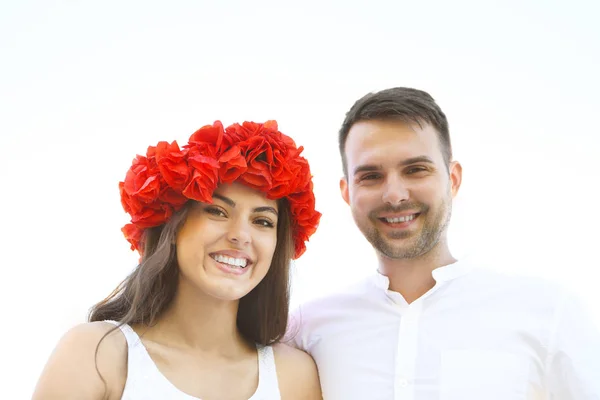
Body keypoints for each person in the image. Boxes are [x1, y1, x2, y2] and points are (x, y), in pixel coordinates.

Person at [288, 87, 600, 399]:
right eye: (370, 176)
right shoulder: (306, 331)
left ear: (453, 179)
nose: (394, 194)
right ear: (347, 193)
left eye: (415, 170)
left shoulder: (549, 313)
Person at [33, 120, 323, 399]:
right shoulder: (98, 354)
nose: (241, 235)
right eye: (217, 212)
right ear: (172, 227)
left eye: (262, 221)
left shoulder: (294, 376)